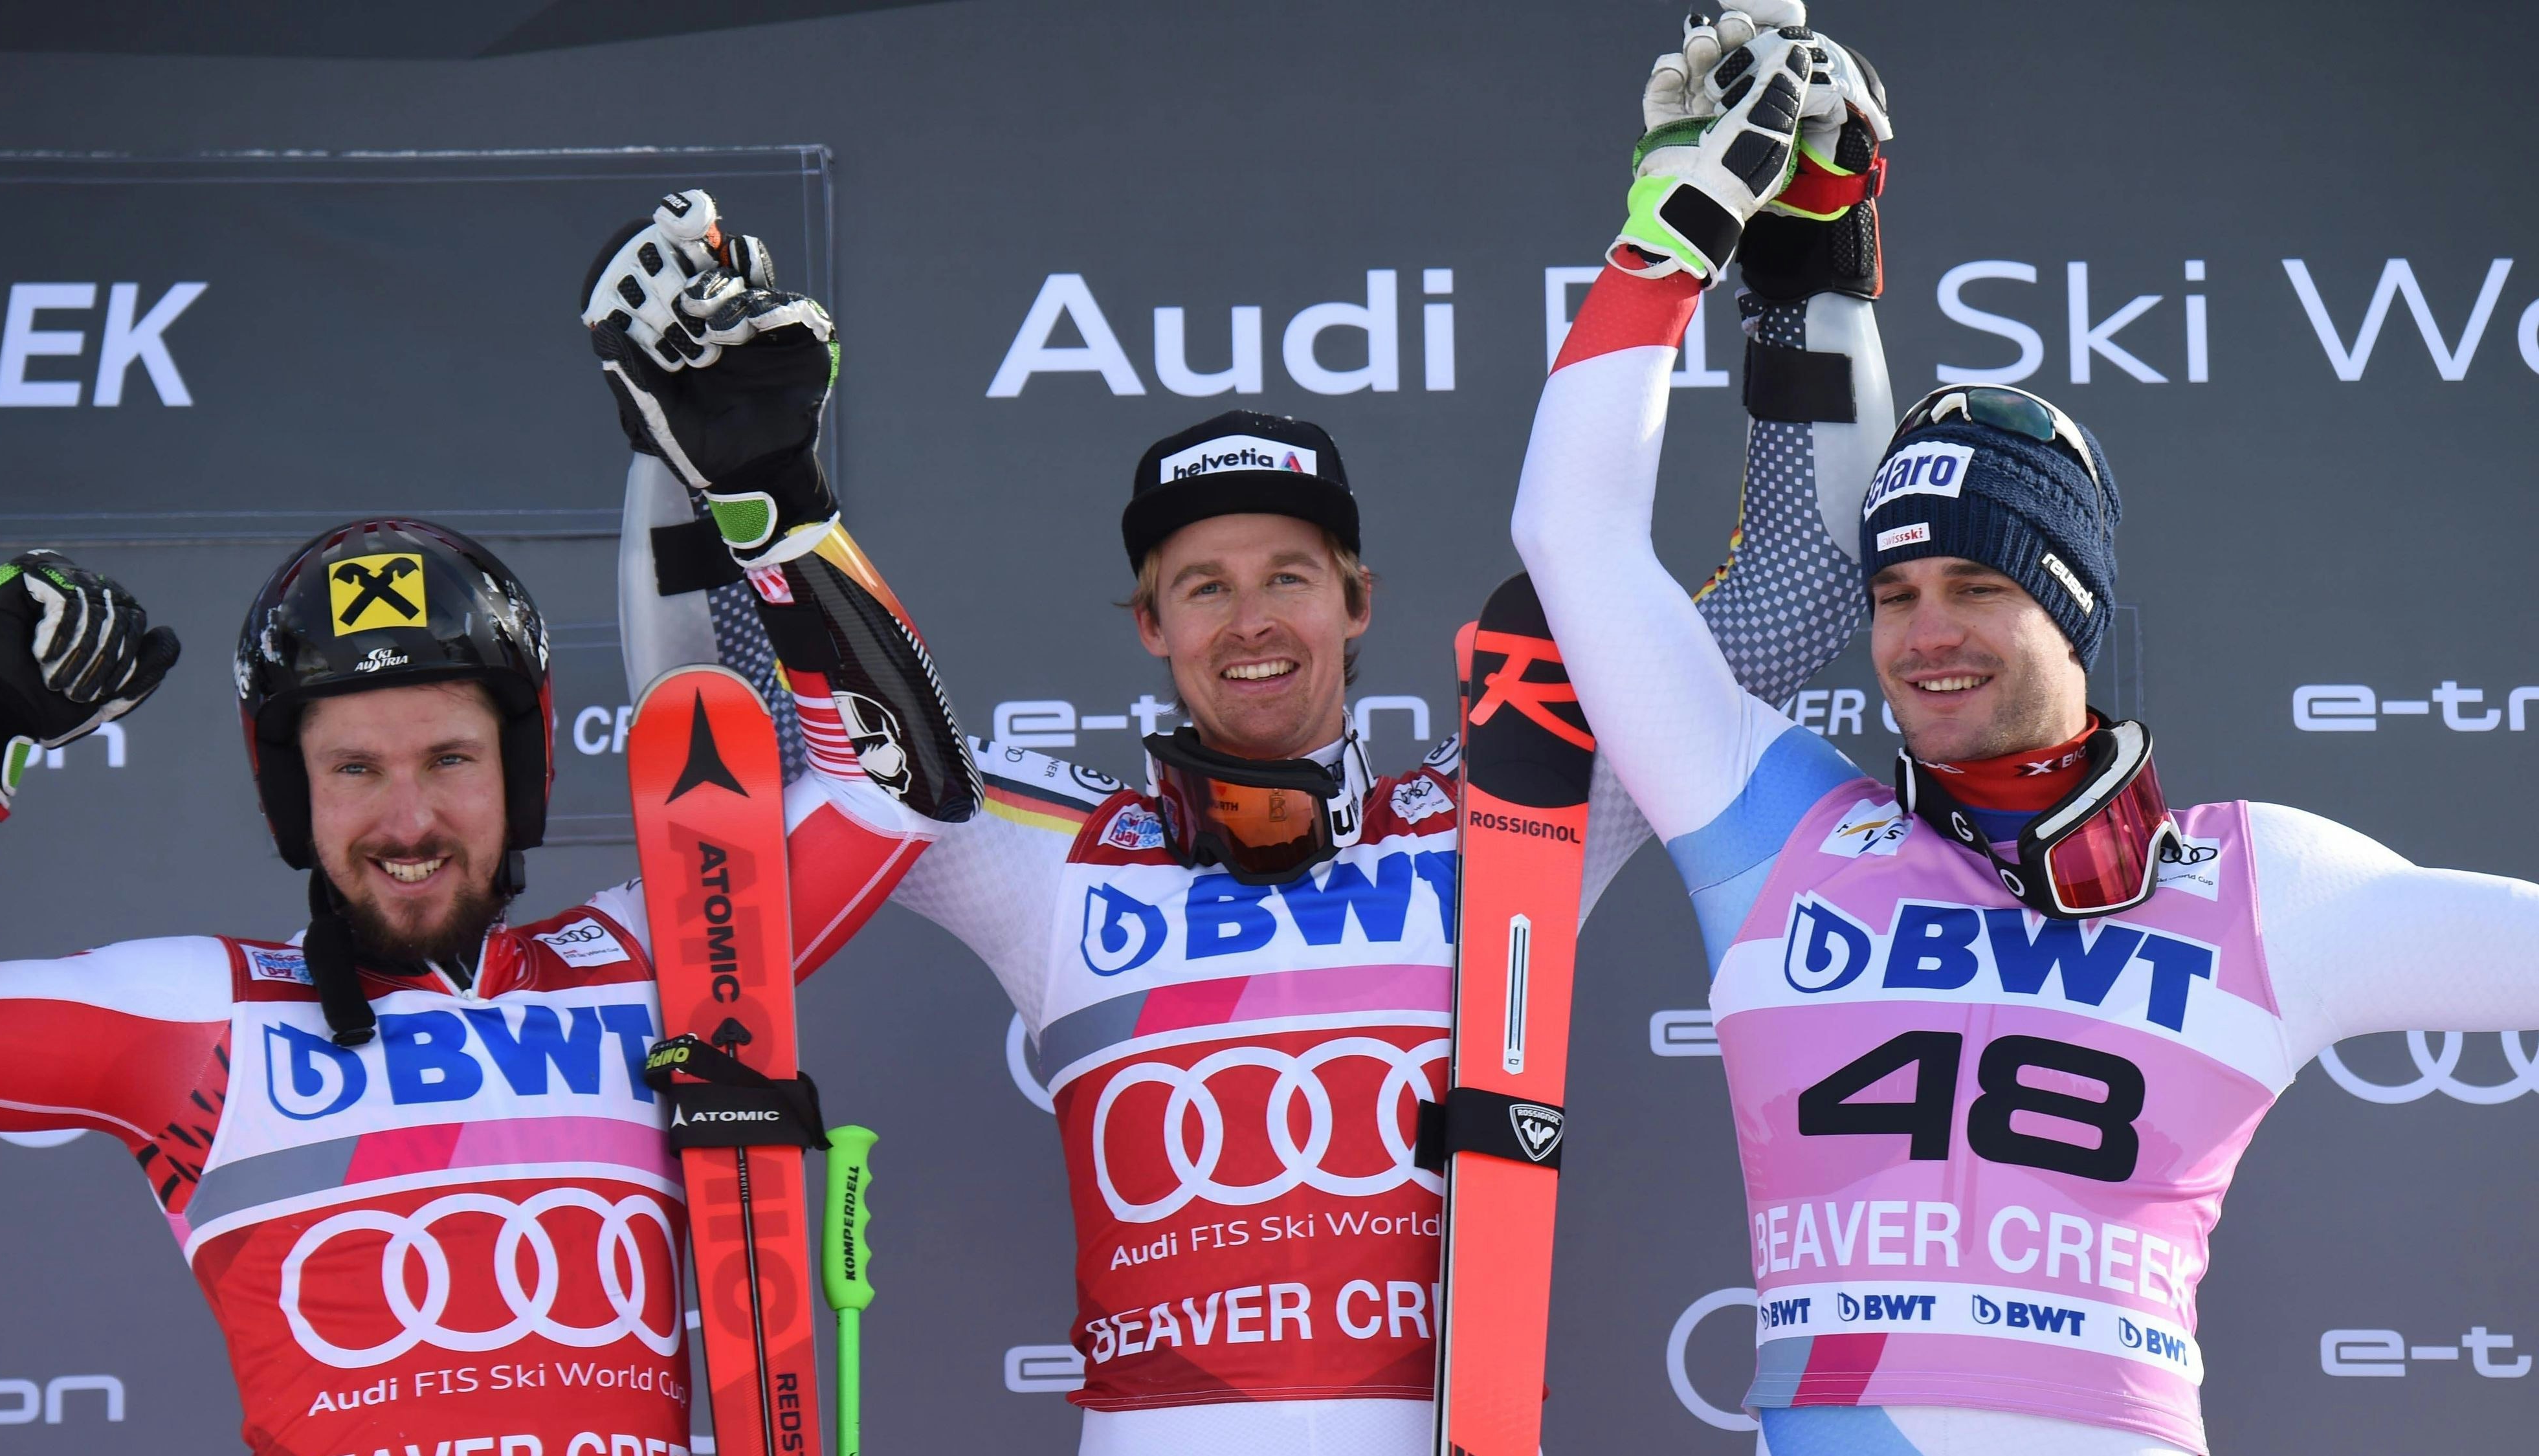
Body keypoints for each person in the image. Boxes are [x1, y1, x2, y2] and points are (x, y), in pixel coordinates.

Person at [585, 153, 1885, 1450]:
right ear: (1150, 623)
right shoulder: (1058, 858)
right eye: (1202, 586)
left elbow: (1800, 596)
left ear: (1356, 600)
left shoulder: (1508, 807)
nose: (1250, 620)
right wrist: (690, 460)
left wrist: (1805, 269)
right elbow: (733, 765)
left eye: (1287, 575)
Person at [1513, 20, 2539, 1456]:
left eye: (1979, 588)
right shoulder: (1776, 836)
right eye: (1894, 592)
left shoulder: (2258, 888)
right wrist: (1683, 232)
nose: (1926, 631)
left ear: (2073, 612)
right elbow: (1570, 536)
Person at [0, 201, 979, 1456]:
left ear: (525, 771)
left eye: (451, 758)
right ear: (292, 796)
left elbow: (905, 787)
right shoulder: (198, 1022)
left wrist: (776, 504)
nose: (408, 818)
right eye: (352, 769)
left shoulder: (660, 961)